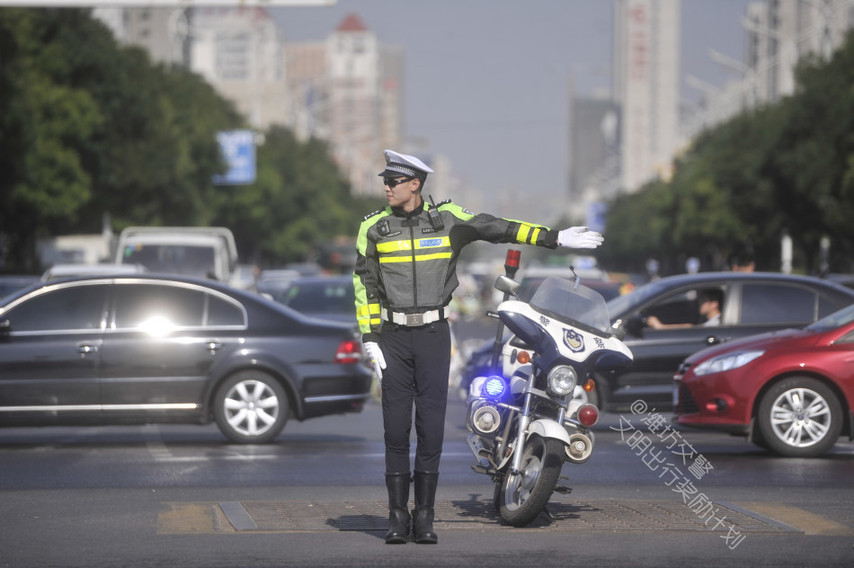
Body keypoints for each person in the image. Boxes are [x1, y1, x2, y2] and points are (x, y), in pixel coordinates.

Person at [353, 149, 603, 545]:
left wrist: (554, 238)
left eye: (393, 181)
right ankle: (397, 517)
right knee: (395, 430)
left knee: (431, 429)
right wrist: (370, 337)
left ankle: (425, 517)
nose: (386, 187)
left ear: (415, 184)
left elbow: (498, 228)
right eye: (385, 181)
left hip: (434, 335)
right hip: (393, 339)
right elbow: (364, 285)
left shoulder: (449, 219)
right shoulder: (373, 228)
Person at [646, 288, 723, 329]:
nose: (700, 303)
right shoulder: (713, 320)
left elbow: (693, 328)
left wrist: (661, 327)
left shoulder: (718, 322)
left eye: (704, 301)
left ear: (714, 304)